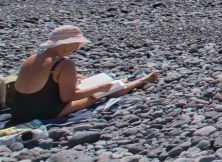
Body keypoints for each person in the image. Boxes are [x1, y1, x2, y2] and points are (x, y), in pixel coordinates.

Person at [8, 25, 158, 125]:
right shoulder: (65, 64)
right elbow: (68, 97)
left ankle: (126, 80)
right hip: (43, 113)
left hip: (19, 111)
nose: (78, 47)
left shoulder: (31, 59)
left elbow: (43, 81)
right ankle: (141, 81)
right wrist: (100, 88)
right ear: (68, 44)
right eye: (77, 44)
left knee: (86, 83)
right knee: (98, 95)